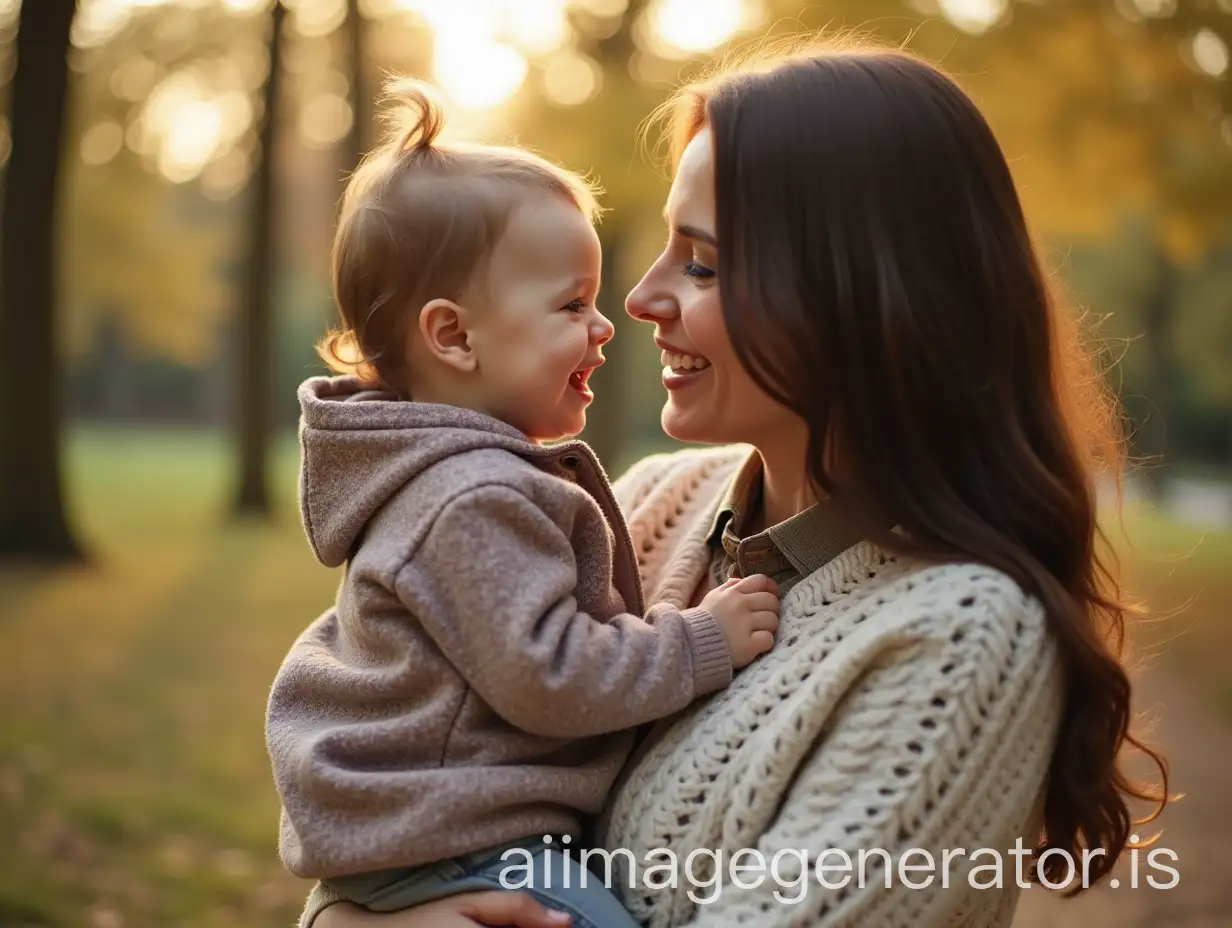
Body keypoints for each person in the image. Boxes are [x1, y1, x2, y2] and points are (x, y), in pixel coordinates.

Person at [303, 39, 1170, 928]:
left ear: (859, 297)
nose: (638, 300)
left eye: (702, 264)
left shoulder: (957, 638)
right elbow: (408, 816)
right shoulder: (641, 501)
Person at [263, 77, 782, 928]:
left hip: (433, 842)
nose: (608, 323)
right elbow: (549, 675)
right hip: (461, 845)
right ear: (455, 336)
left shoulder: (453, 477)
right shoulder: (470, 496)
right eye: (572, 305)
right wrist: (699, 644)